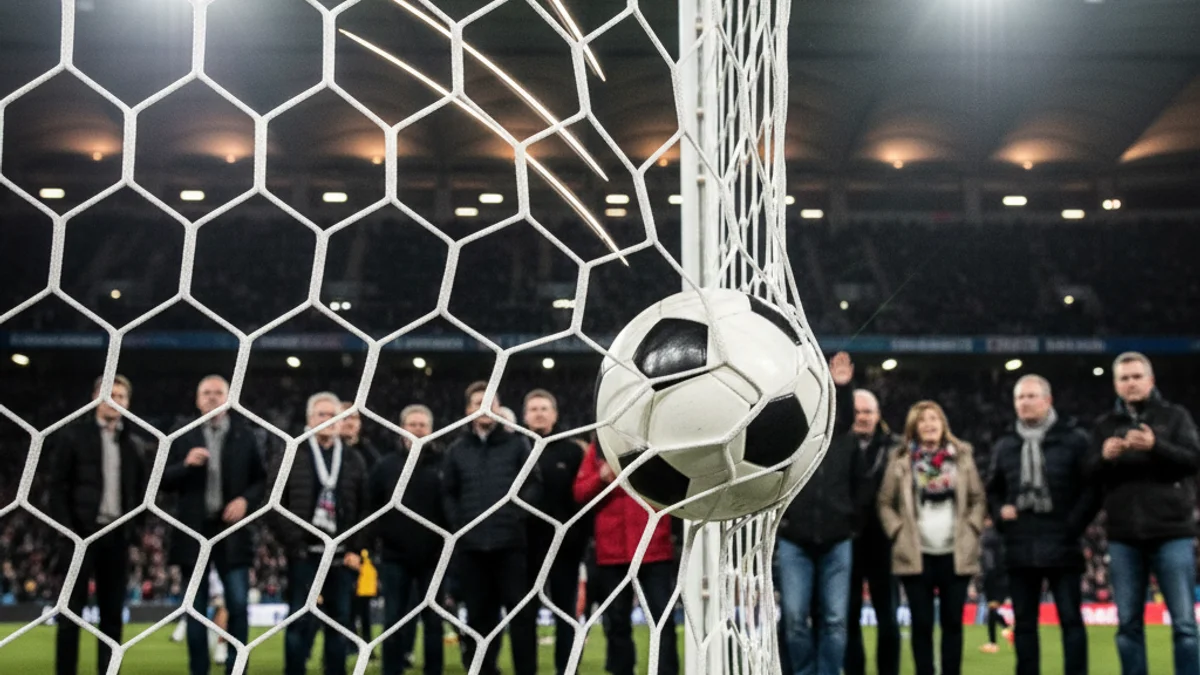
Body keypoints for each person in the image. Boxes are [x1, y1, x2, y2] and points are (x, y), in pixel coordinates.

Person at [1092, 352, 1200, 675]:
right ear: (1115, 385)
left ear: (1151, 380)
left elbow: (1193, 460)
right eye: (1124, 378)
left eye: (1137, 376)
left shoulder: (1175, 416)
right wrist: (1103, 458)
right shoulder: (1104, 426)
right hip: (1124, 536)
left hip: (1172, 532)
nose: (1131, 383)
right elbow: (1087, 476)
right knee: (1127, 627)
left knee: (1184, 625)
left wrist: (1156, 446)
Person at [987, 374, 1098, 674]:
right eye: (1019, 398)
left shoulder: (1075, 439)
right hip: (1020, 543)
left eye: (1031, 396)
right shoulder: (1005, 445)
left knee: (1071, 620)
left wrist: (1074, 524)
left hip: (1063, 541)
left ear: (1048, 400)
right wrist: (999, 513)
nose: (1024, 403)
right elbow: (992, 490)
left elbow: (1092, 487)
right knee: (1024, 623)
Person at [161, 374, 266, 675]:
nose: (211, 397)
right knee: (194, 609)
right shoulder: (182, 435)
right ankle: (199, 670)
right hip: (193, 532)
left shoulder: (245, 435)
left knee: (237, 605)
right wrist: (184, 465)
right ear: (197, 399)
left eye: (217, 392)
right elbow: (161, 480)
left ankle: (237, 669)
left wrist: (246, 500)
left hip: (232, 532)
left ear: (229, 398)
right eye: (205, 392)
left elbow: (260, 480)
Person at [48, 375, 147, 675]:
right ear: (95, 398)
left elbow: (142, 492)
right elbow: (56, 488)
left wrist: (134, 532)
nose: (115, 399)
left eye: (121, 395)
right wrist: (67, 531)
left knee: (112, 615)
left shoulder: (133, 443)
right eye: (109, 393)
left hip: (116, 537)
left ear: (128, 403)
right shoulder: (72, 437)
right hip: (79, 536)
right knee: (70, 613)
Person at [877, 400, 985, 675]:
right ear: (913, 427)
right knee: (921, 625)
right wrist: (897, 530)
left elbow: (977, 498)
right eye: (923, 420)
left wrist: (972, 527)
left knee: (952, 624)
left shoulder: (961, 456)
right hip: (915, 554)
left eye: (934, 419)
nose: (929, 424)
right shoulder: (901, 460)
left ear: (943, 425)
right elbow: (885, 502)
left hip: (955, 552)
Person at [442, 382, 542, 675]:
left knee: (520, 617)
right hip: (472, 549)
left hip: (510, 545)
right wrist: (460, 523)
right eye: (477, 403)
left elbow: (534, 484)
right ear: (468, 410)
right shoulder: (456, 450)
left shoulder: (518, 443)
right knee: (479, 619)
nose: (484, 408)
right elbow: (447, 492)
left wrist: (516, 514)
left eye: (490, 402)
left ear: (499, 409)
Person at [269, 392, 370, 675]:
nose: (328, 420)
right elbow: (273, 505)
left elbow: (367, 509)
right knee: (299, 621)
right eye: (321, 415)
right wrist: (295, 543)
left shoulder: (354, 459)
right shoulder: (291, 453)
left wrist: (354, 548)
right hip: (304, 555)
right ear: (309, 420)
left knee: (339, 623)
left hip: (340, 557)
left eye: (333, 415)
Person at [774, 352, 859, 675]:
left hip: (837, 539)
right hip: (795, 539)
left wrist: (844, 387)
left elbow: (846, 419)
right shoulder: (791, 436)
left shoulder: (841, 436)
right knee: (795, 618)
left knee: (835, 620)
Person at [574, 439, 679, 675]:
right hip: (613, 552)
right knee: (616, 623)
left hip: (654, 549)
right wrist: (601, 477)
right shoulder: (600, 446)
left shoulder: (655, 440)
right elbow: (580, 492)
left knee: (662, 620)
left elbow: (676, 485)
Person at [372, 403, 446, 675]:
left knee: (434, 620)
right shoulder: (385, 466)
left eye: (422, 424)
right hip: (394, 557)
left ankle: (434, 670)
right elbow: (372, 508)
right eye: (412, 424)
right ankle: (392, 670)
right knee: (394, 618)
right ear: (401, 429)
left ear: (431, 429)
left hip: (434, 557)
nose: (417, 429)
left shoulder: (443, 463)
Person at [523, 388, 588, 675]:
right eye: (533, 409)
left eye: (544, 408)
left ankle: (567, 670)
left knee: (565, 613)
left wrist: (577, 538)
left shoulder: (573, 450)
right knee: (524, 615)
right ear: (525, 415)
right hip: (525, 549)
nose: (538, 413)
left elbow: (584, 499)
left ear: (555, 414)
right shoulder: (515, 448)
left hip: (565, 548)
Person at [844, 388, 902, 675]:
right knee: (849, 617)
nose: (862, 417)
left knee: (888, 617)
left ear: (878, 415)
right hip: (846, 541)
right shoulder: (837, 446)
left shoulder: (897, 448)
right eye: (856, 412)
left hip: (885, 542)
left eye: (867, 412)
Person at [977, 521, 1011, 654]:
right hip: (1004, 579)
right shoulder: (1002, 536)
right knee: (993, 611)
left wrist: (985, 579)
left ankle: (993, 643)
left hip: (993, 580)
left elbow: (989, 562)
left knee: (992, 611)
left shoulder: (987, 537)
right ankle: (1008, 630)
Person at [351, 550, 378, 660]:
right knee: (350, 619)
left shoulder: (368, 553)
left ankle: (366, 649)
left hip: (365, 588)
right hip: (356, 586)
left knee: (364, 620)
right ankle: (354, 647)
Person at [339, 401, 382, 469]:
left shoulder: (369, 451)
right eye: (344, 418)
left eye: (354, 418)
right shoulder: (328, 449)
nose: (350, 423)